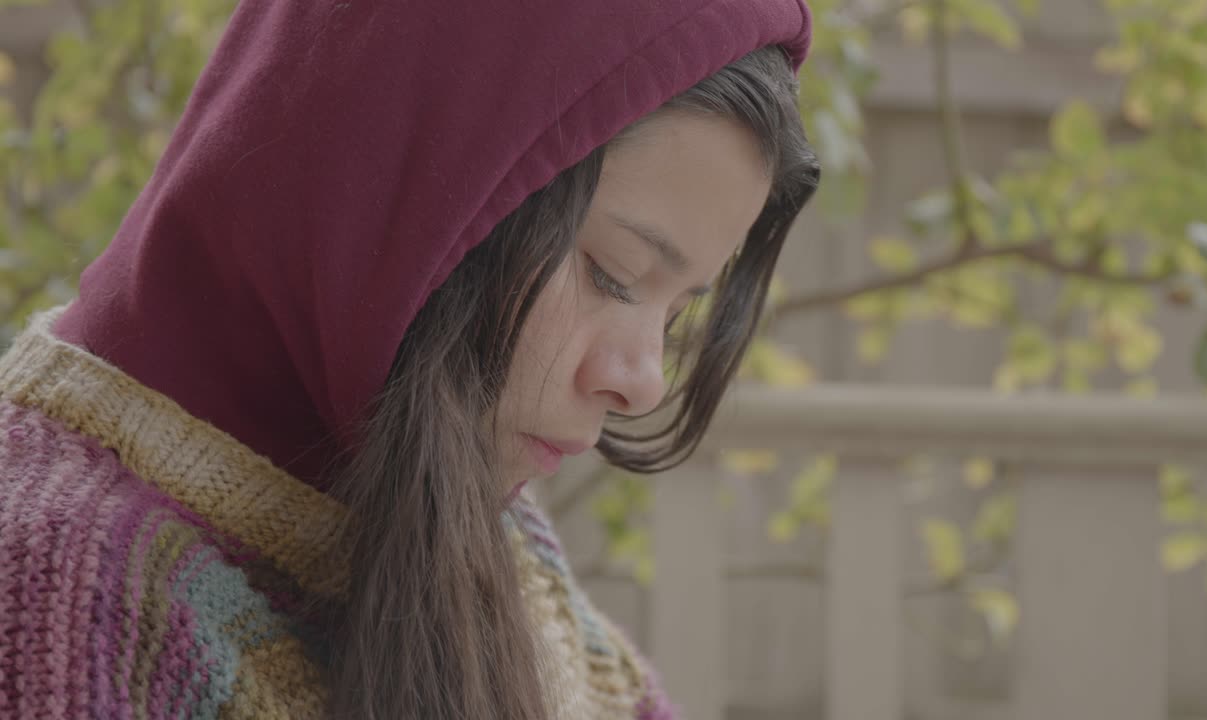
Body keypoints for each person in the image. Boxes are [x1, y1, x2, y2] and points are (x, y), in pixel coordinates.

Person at [0, 0, 819, 717]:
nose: (643, 382)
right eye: (614, 275)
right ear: (401, 185)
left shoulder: (473, 514)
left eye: (678, 312)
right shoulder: (60, 605)